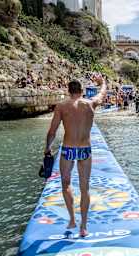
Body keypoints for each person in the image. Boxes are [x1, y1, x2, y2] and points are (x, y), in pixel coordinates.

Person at [44, 76, 107, 237]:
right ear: (81, 91)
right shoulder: (90, 104)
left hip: (68, 149)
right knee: (84, 188)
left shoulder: (62, 106)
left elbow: (52, 131)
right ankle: (83, 227)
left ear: (68, 90)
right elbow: (102, 94)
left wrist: (47, 149)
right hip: (85, 149)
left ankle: (72, 219)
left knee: (66, 184)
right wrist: (103, 83)